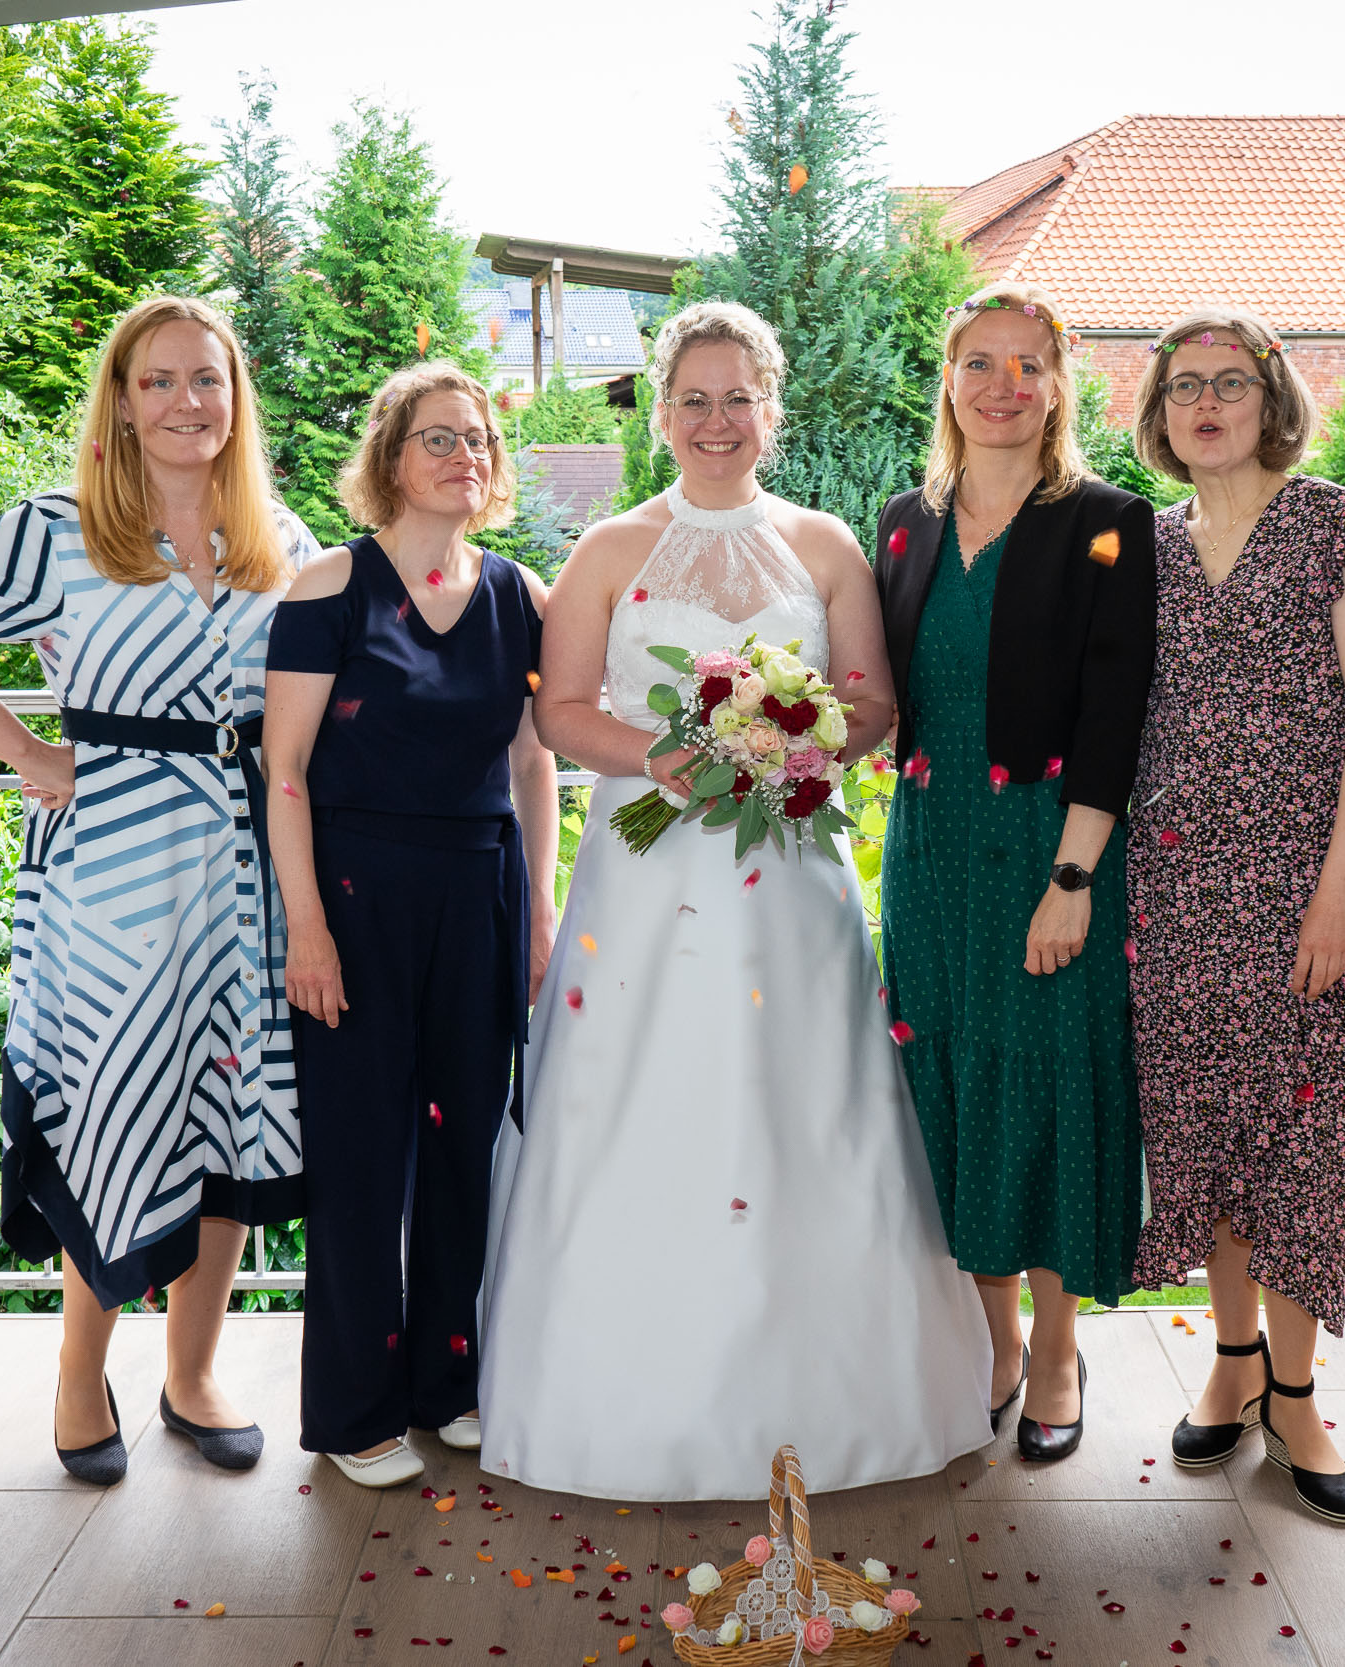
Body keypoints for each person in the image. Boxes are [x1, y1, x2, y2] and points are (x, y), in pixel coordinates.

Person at [478, 301, 990, 1500]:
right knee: (641, 1093)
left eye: (738, 398)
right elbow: (557, 712)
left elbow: (870, 702)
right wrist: (660, 757)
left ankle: (836, 1389)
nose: (717, 421)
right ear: (661, 413)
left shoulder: (822, 545)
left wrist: (789, 743)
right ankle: (620, 1390)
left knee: (804, 1094)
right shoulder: (609, 549)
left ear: (772, 410)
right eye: (694, 399)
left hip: (788, 874)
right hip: (645, 874)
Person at [0, 295, 309, 1485]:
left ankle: (192, 1371)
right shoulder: (58, 531)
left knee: (225, 1111)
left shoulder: (281, 541)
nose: (185, 402)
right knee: (113, 1104)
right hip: (114, 875)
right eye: (157, 380)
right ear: (119, 399)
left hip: (243, 873)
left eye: (206, 379)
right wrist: (25, 749)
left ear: (235, 398)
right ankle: (77, 1371)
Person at [1123, 302, 1345, 1526]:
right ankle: (1231, 1363)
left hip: (1299, 888)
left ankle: (1295, 1397)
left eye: (1228, 383)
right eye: (1183, 386)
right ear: (1158, 411)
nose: (1205, 404)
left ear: (1269, 398)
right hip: (1172, 891)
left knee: (1297, 1140)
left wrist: (1336, 889)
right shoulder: (1140, 543)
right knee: (1204, 1134)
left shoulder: (1334, 522)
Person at [875, 282, 1158, 1464]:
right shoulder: (902, 521)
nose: (1002, 385)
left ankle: (1055, 1351)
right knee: (949, 1084)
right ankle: (993, 1339)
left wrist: (1073, 878)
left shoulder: (1106, 522)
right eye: (979, 363)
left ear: (1057, 385)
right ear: (947, 380)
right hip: (929, 852)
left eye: (1026, 364)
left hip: (1048, 847)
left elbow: (1114, 711)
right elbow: (879, 688)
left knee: (1044, 1089)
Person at [262, 362, 557, 1490]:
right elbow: (285, 769)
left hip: (480, 893)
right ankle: (353, 1409)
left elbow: (533, 762)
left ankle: (447, 1384)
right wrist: (305, 926)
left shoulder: (519, 594)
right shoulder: (329, 585)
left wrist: (537, 909)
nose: (463, 455)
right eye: (438, 437)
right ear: (390, 455)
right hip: (354, 899)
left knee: (463, 1148)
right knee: (360, 1157)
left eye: (478, 438)